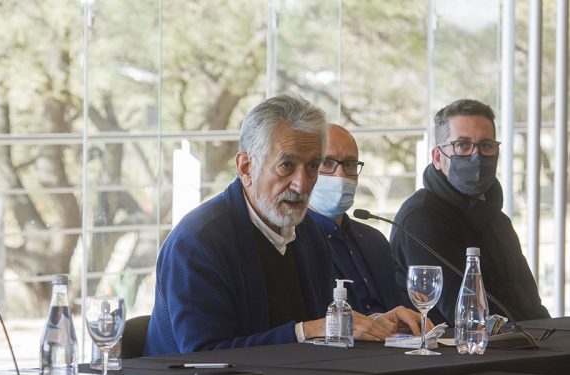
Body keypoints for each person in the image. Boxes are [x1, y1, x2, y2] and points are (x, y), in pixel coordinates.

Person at [144, 94, 422, 356]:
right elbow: (203, 356)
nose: (302, 184)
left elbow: (324, 325)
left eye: (313, 166)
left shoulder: (308, 232)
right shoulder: (198, 241)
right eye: (286, 165)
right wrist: (305, 331)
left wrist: (374, 324)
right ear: (245, 168)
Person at [390, 99, 550, 325]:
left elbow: (531, 301)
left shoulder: (498, 219)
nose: (476, 156)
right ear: (438, 157)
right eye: (463, 145)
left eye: (486, 145)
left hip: (523, 342)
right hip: (457, 353)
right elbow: (464, 313)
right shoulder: (422, 218)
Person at [307, 124, 427, 331]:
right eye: (327, 163)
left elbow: (398, 307)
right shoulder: (295, 241)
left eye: (350, 164)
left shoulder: (374, 240)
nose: (341, 175)